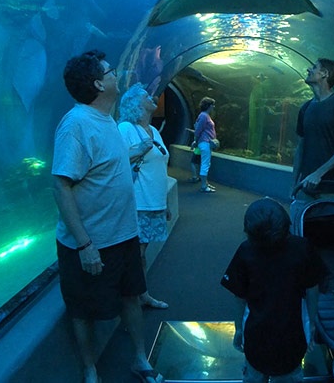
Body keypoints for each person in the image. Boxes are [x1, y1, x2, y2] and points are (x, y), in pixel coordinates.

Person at [51, 50, 164, 383]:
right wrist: (84, 244)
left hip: (124, 234)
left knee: (131, 295)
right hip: (92, 241)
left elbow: (104, 165)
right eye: (110, 70)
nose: (116, 73)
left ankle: (140, 358)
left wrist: (134, 153)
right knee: (82, 310)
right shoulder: (76, 125)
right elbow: (61, 185)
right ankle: (89, 368)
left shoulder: (107, 120)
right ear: (99, 83)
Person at [221, 198, 327, 383]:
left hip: (256, 337)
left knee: (254, 374)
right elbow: (312, 288)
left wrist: (239, 328)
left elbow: (240, 296)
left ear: (250, 231)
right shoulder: (302, 247)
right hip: (292, 337)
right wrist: (312, 322)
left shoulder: (246, 251)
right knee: (290, 375)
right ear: (286, 225)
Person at [117, 83, 171, 310]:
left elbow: (160, 169)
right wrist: (138, 149)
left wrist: (165, 203)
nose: (152, 97)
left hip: (154, 202)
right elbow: (116, 160)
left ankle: (141, 295)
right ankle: (132, 300)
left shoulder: (155, 130)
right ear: (134, 103)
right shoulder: (126, 129)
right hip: (138, 203)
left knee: (141, 253)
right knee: (134, 255)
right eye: (145, 96)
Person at [293, 58, 334, 193]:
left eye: (314, 67)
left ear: (324, 73)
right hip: (306, 186)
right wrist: (294, 182)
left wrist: (318, 173)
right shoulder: (305, 108)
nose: (309, 69)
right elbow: (300, 148)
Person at [192, 96, 220, 193]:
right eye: (213, 105)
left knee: (206, 163)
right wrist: (195, 140)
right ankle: (204, 186)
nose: (213, 107)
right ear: (209, 106)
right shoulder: (204, 116)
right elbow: (198, 129)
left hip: (206, 143)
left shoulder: (204, 115)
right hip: (205, 142)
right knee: (205, 164)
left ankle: (206, 183)